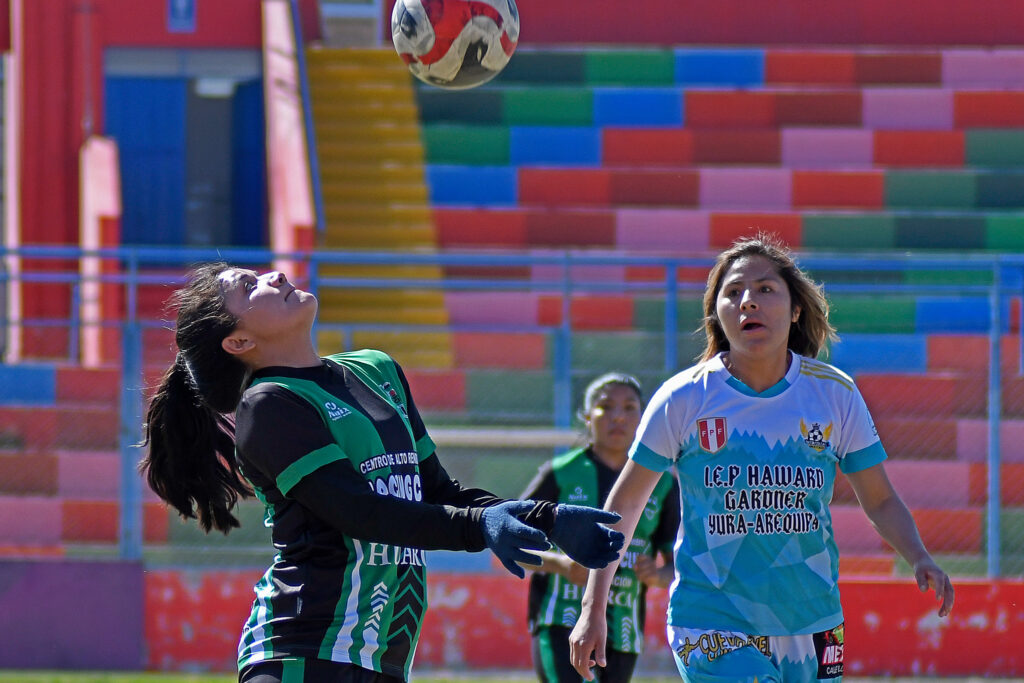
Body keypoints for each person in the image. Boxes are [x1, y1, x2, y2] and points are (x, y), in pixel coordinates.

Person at [139, 262, 625, 683]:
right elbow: (360, 512)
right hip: (302, 651)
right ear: (239, 340)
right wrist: (482, 527)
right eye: (250, 287)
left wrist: (548, 519)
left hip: (384, 657)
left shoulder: (377, 370)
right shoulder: (270, 405)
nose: (276, 275)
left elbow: (437, 491)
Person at [568, 235, 955, 683]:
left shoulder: (834, 394)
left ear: (795, 310)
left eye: (765, 289)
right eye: (732, 293)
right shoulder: (684, 397)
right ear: (718, 314)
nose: (747, 301)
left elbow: (880, 499)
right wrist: (593, 607)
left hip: (813, 620)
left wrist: (919, 555)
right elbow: (624, 508)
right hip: (710, 619)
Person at [520, 373, 680, 683]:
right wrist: (560, 564)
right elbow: (510, 543)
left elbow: (679, 561)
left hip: (623, 629)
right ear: (586, 416)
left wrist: (659, 575)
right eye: (605, 406)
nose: (618, 416)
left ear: (643, 416)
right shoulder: (560, 473)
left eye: (629, 407)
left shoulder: (661, 484)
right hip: (560, 619)